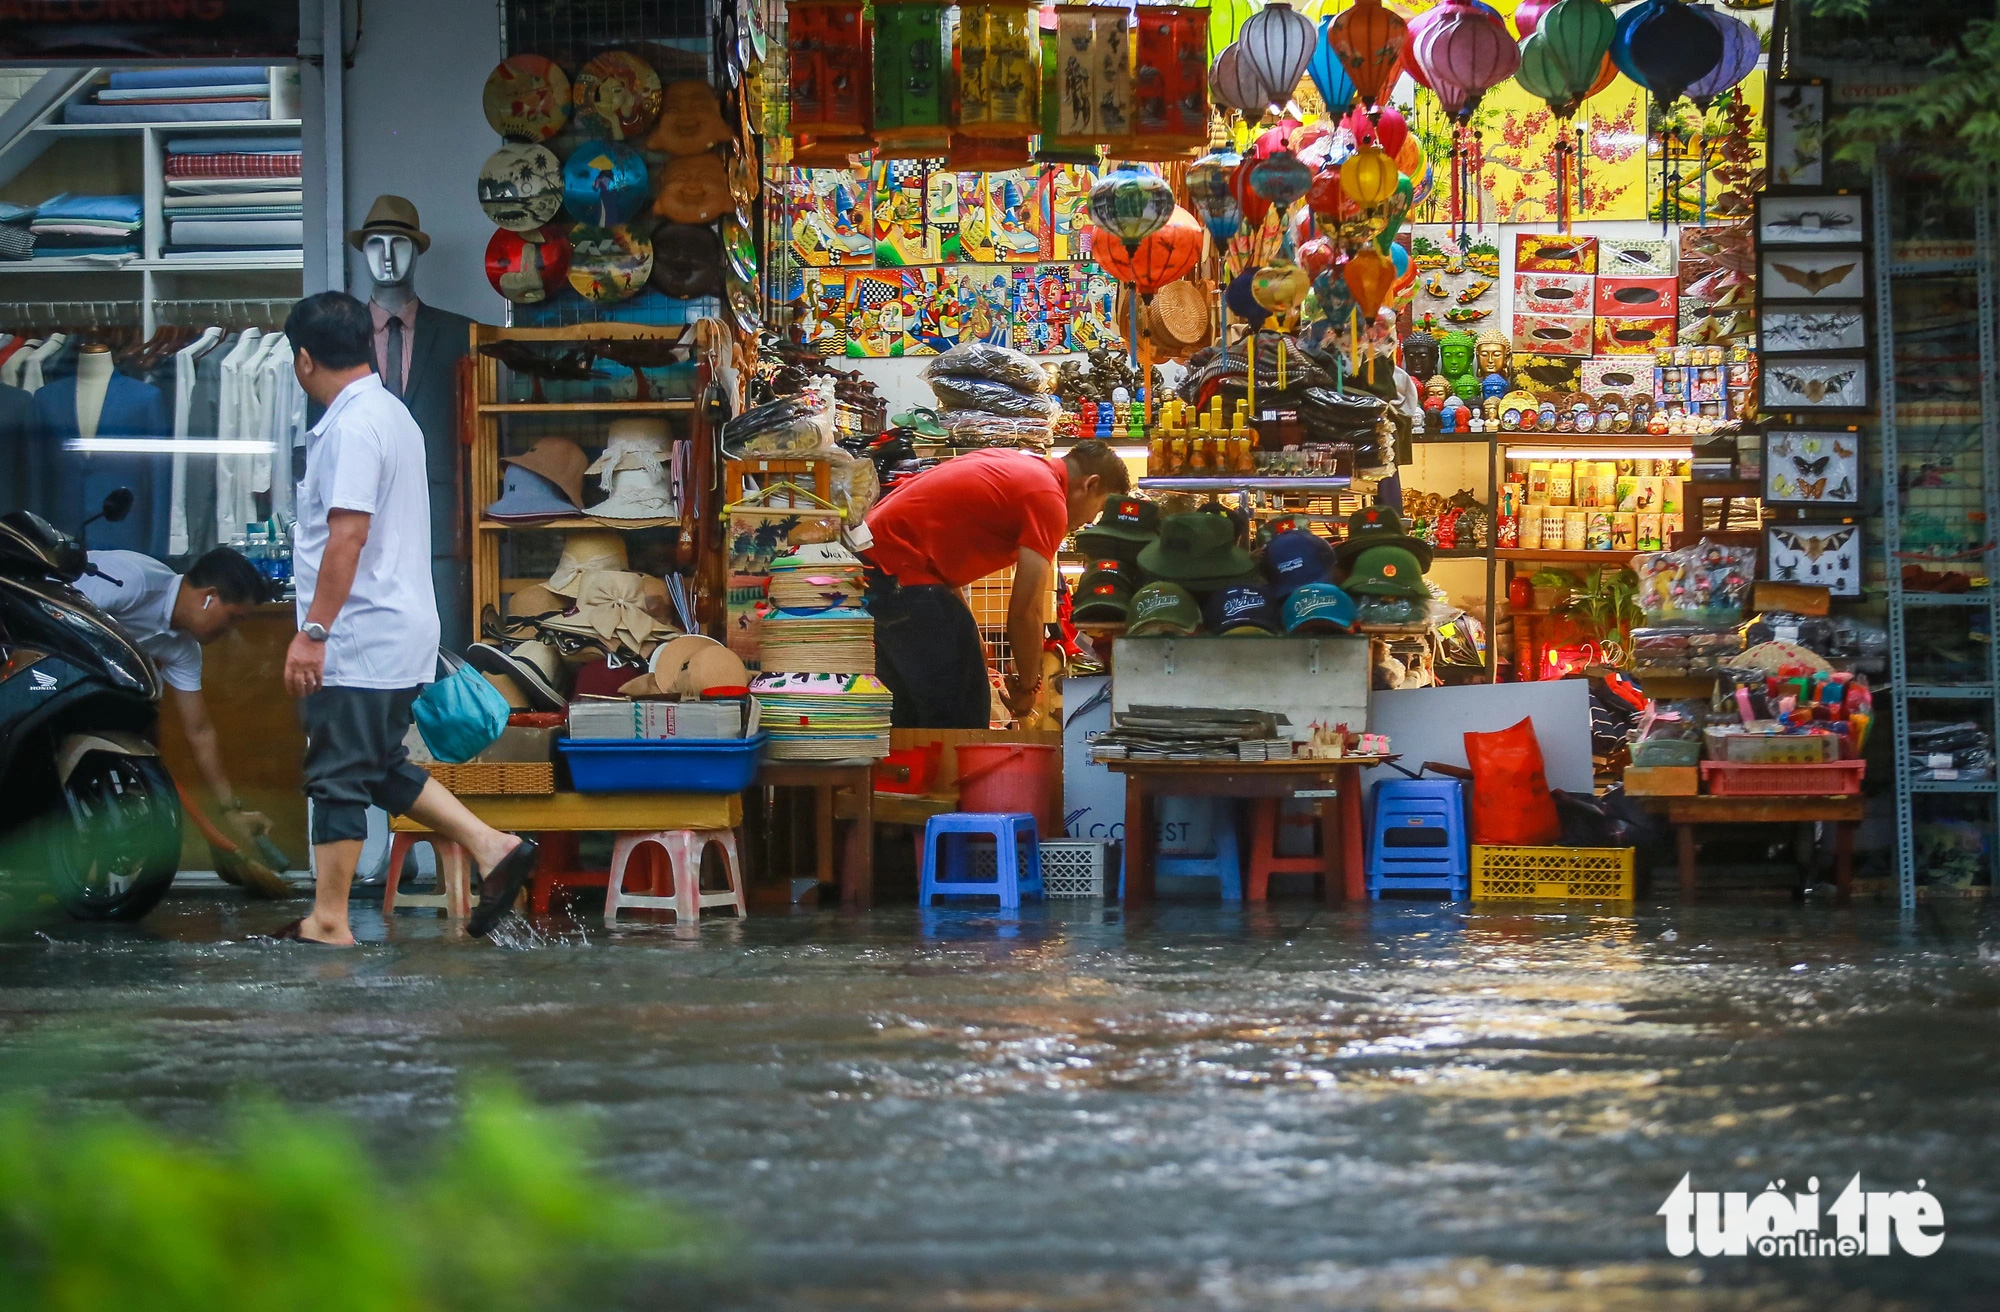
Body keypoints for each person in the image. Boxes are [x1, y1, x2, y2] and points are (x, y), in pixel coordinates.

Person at [269, 291, 537, 945]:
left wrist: (313, 633)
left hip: (359, 631)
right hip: (388, 626)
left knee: (336, 774)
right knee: (377, 765)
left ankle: (330, 920)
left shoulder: (355, 425)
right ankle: (492, 846)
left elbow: (347, 537)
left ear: (304, 360)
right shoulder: (388, 414)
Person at [860, 440, 1126, 728]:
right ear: (1090, 484)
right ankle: (949, 772)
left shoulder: (1019, 465)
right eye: (1098, 509)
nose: (1089, 520)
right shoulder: (1048, 498)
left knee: (909, 713)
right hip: (899, 574)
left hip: (878, 569)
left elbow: (938, 555)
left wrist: (972, 634)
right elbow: (1026, 611)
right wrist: (1027, 688)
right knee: (961, 717)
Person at [74, 546, 282, 888]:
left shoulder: (183, 649)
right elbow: (55, 615)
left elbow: (199, 732)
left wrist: (231, 810)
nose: (231, 631)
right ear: (209, 598)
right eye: (233, 618)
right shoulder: (133, 582)